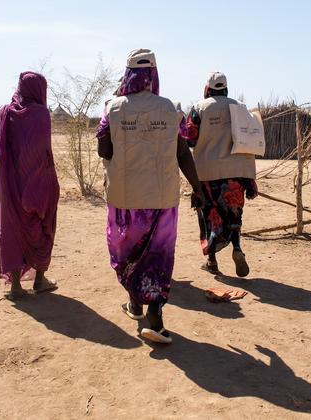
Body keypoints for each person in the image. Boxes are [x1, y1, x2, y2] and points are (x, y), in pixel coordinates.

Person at [96, 49, 204, 344]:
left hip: (125, 199)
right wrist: (197, 187)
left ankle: (136, 302)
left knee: (127, 253)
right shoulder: (170, 110)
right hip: (162, 199)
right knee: (159, 254)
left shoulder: (112, 109)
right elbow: (183, 153)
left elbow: (104, 150)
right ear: (154, 74)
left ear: (128, 73)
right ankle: (152, 312)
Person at [0, 71, 60, 300]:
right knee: (43, 226)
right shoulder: (42, 115)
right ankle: (39, 279)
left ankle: (16, 286)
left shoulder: (3, 114)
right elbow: (44, 153)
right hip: (39, 184)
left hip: (10, 185)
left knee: (12, 230)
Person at [185, 72, 258, 278]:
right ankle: (236, 248)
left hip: (208, 172)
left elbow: (190, 139)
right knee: (234, 213)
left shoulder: (199, 108)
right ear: (226, 88)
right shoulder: (239, 108)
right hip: (237, 172)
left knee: (209, 214)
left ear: (207, 89)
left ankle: (212, 261)